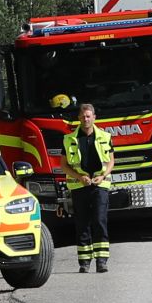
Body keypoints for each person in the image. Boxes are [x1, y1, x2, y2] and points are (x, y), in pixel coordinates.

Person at [63, 102, 114, 272]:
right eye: (83, 116)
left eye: (88, 116)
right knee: (82, 223)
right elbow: (63, 165)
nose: (85, 119)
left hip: (100, 185)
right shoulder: (69, 139)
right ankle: (84, 262)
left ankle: (102, 261)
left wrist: (103, 175)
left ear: (94, 117)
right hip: (79, 186)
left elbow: (111, 161)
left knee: (100, 220)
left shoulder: (106, 137)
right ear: (78, 118)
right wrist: (80, 177)